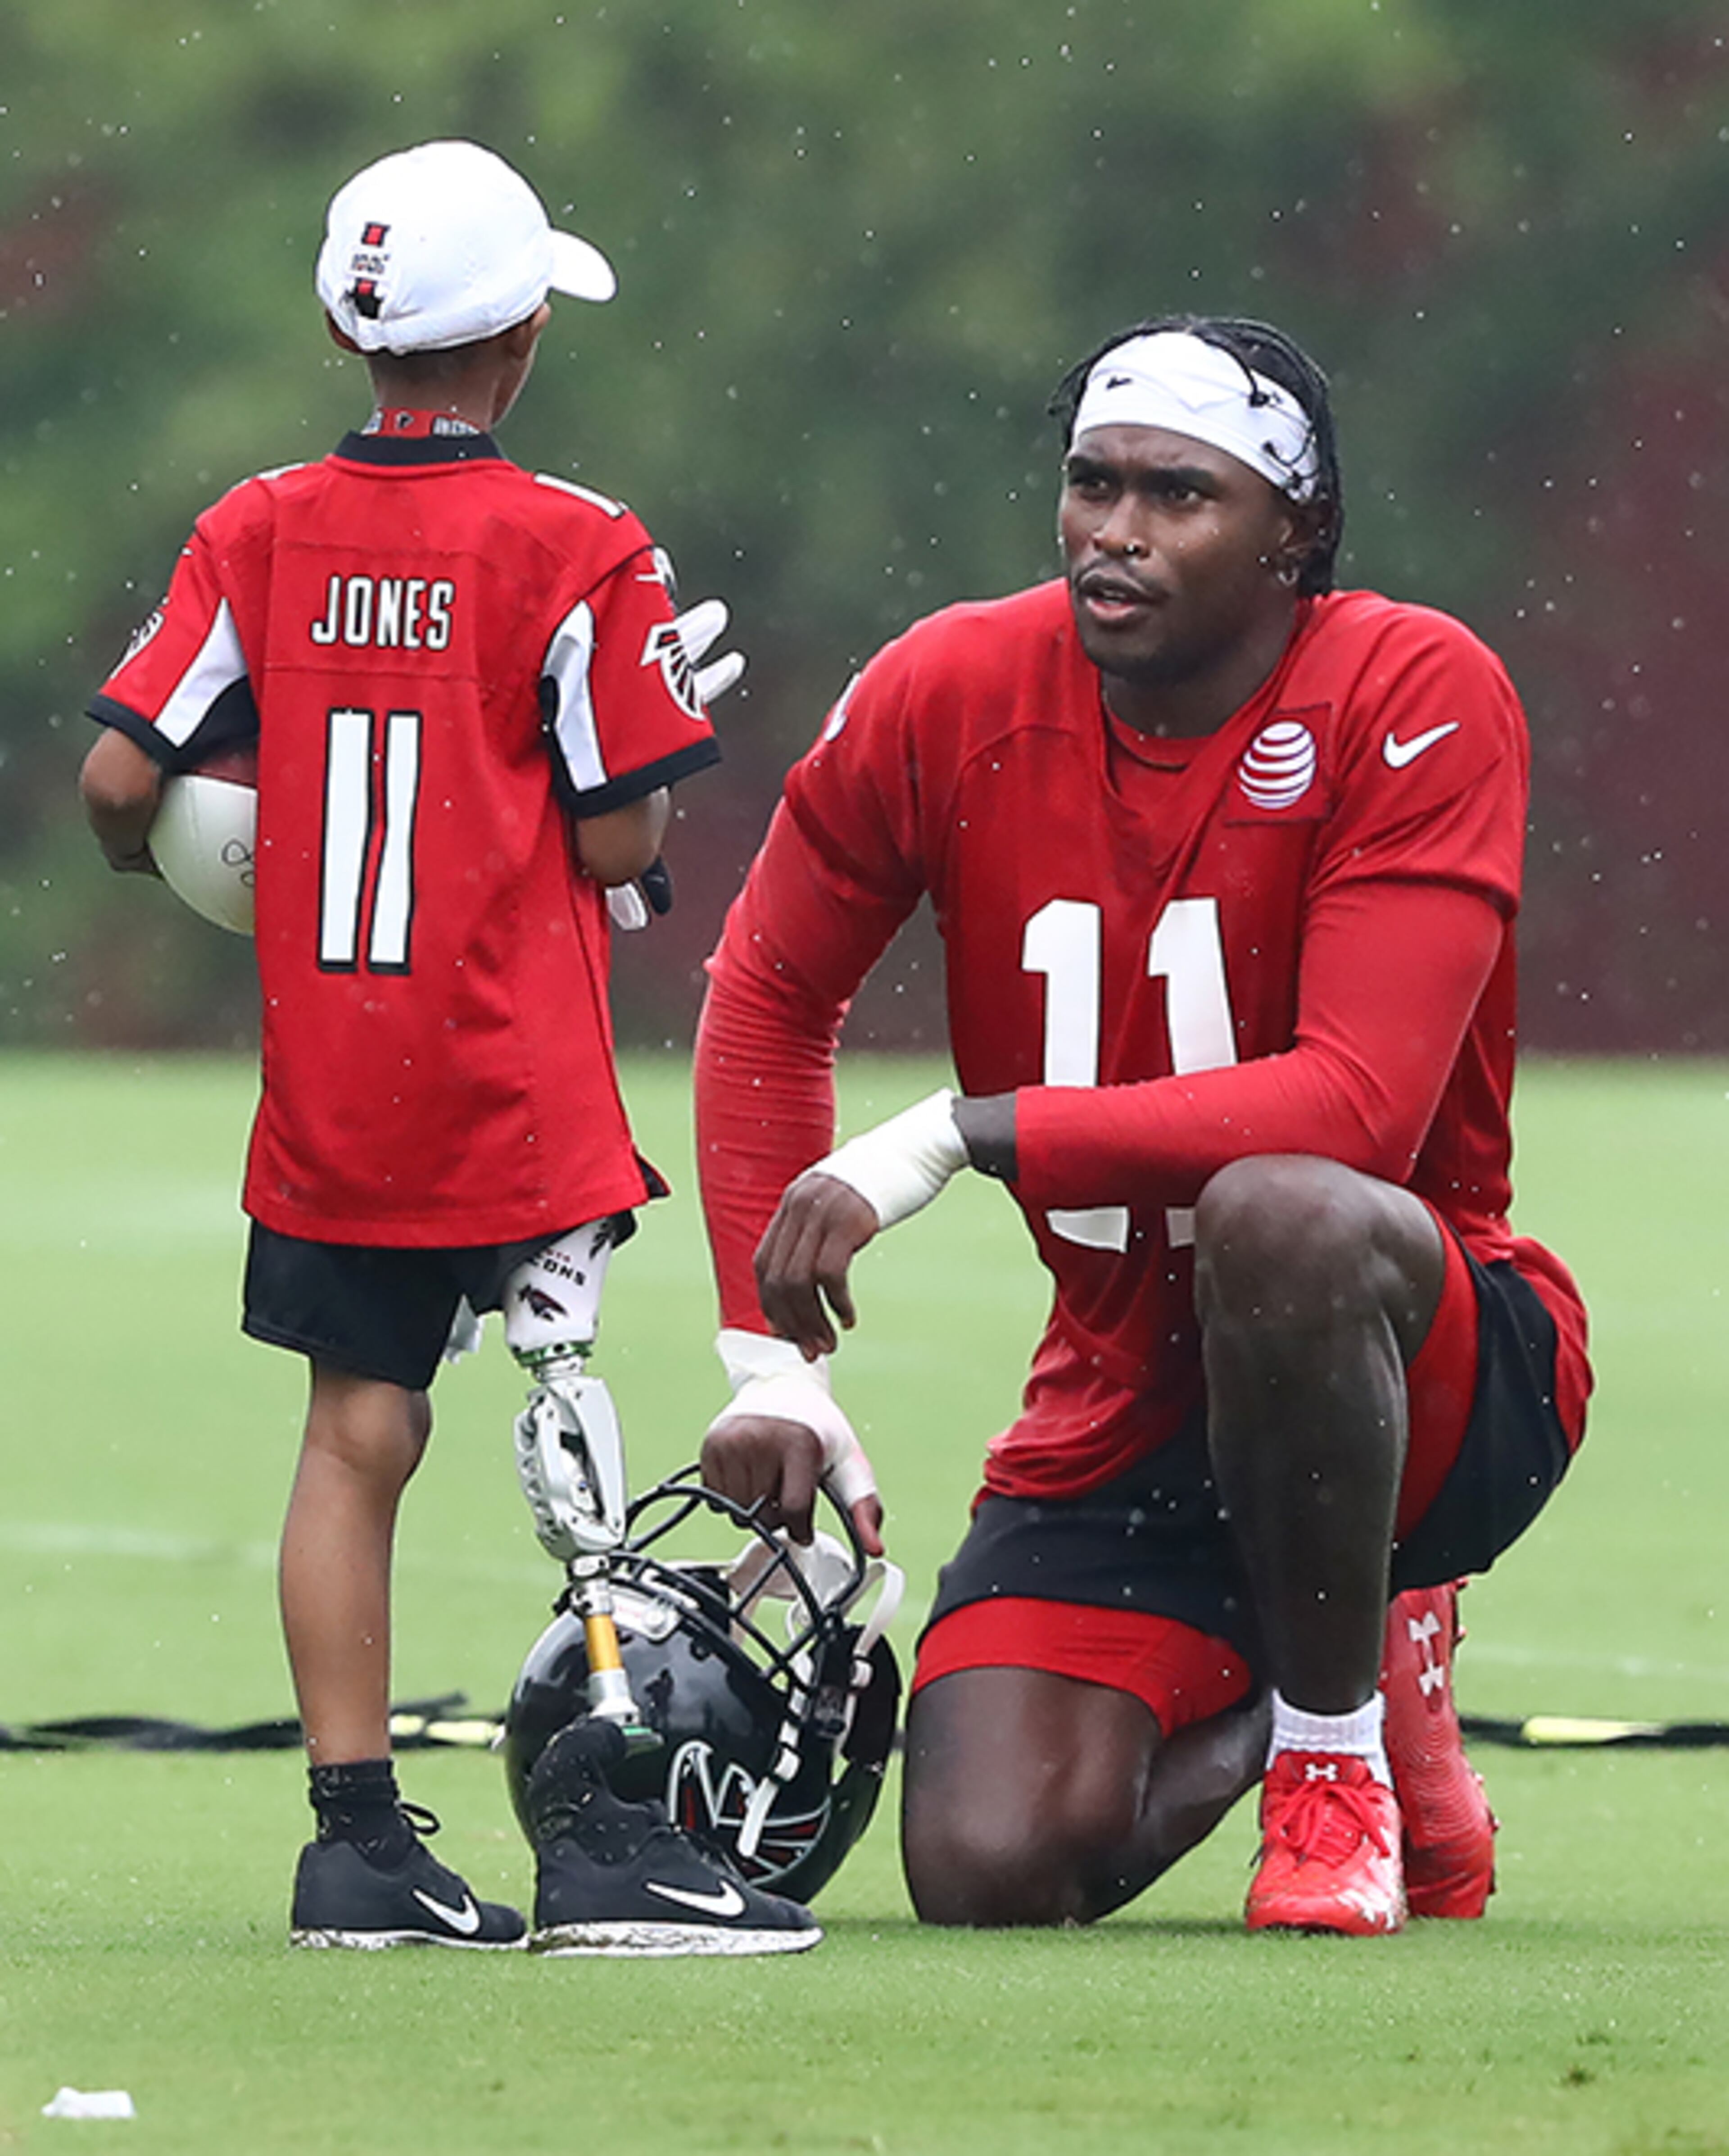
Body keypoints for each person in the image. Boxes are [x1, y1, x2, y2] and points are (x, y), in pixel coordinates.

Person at [695, 315, 1592, 1936]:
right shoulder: (951, 686)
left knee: (1285, 1208)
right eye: (1093, 483)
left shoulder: (1412, 685)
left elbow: (1359, 1108)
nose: (1117, 529)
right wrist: (777, 1372)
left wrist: (965, 1134)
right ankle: (1358, 1674)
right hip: (1127, 1379)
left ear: (1294, 534)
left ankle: (1336, 1767)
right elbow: (764, 990)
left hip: (1430, 1357)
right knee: (990, 1862)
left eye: (1179, 495)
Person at [78, 140, 816, 1956]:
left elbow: (118, 781)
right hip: (511, 1073)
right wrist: (626, 758)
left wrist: (236, 864)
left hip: (336, 1081)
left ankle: (356, 1847)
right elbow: (624, 844)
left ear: (353, 329)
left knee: (356, 1433)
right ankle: (617, 1838)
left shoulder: (254, 528)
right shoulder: (579, 545)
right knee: (566, 1410)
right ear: (524, 337)